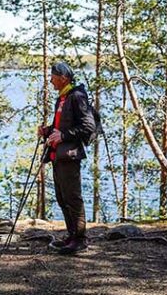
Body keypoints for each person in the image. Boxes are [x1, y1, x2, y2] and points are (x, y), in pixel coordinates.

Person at [38, 62, 96, 255]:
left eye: (53, 76)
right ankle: (72, 236)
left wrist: (63, 136)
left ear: (63, 77)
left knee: (73, 197)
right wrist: (48, 131)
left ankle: (81, 240)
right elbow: (61, 125)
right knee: (62, 198)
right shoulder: (62, 98)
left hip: (70, 156)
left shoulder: (77, 97)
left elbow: (88, 127)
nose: (50, 80)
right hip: (57, 155)